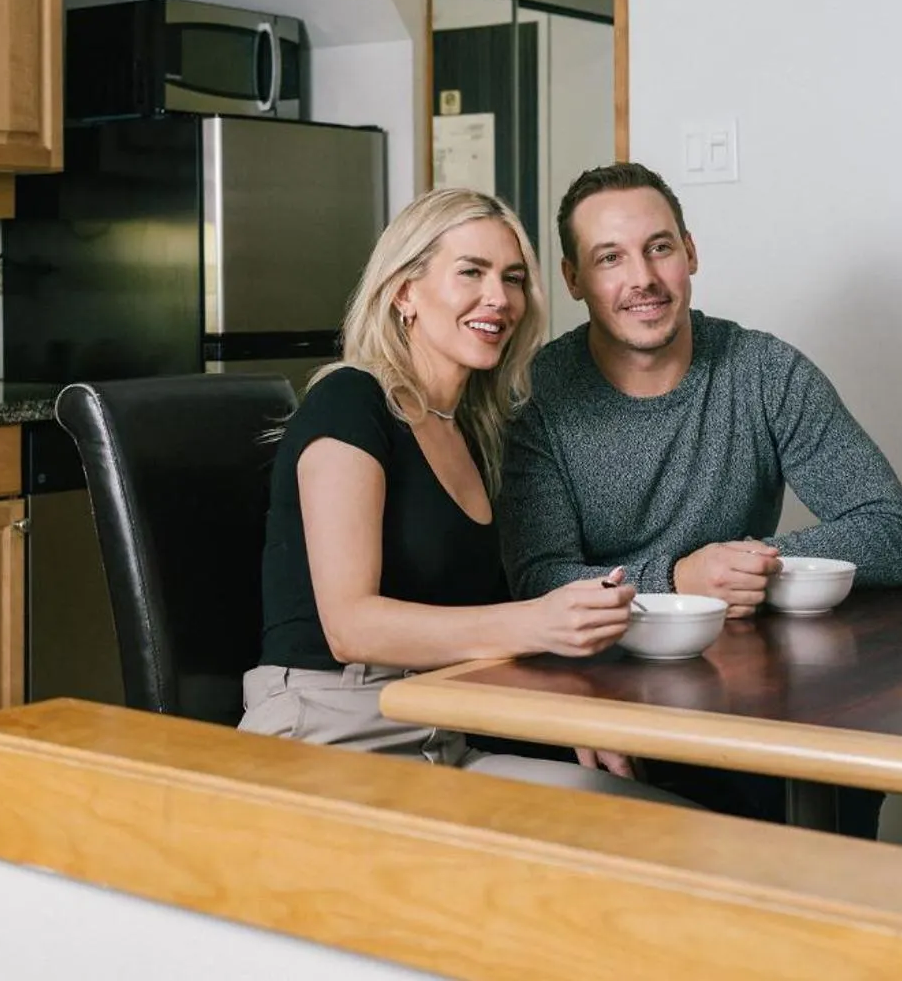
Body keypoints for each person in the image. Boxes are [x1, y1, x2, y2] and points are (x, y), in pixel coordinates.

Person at [498, 161, 902, 832]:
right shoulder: (539, 396)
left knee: (843, 777)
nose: (641, 278)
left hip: (740, 694)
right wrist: (676, 579)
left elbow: (893, 534)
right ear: (574, 280)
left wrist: (757, 562)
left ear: (690, 253)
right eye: (610, 258)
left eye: (659, 248)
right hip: (604, 690)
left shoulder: (765, 371)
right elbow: (537, 577)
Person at [238, 186, 684, 806]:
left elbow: (470, 626)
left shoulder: (475, 430)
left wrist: (573, 704)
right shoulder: (350, 401)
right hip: (327, 733)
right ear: (404, 291)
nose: (498, 299)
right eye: (470, 272)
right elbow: (351, 626)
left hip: (440, 739)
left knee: (665, 823)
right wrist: (539, 624)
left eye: (513, 278)